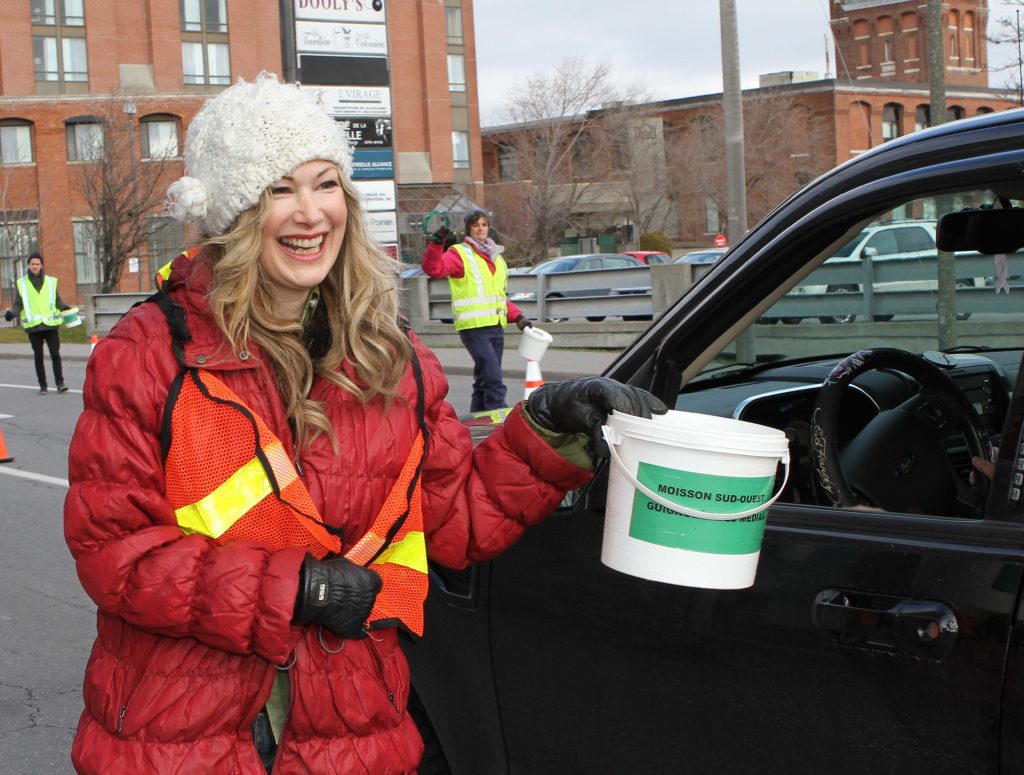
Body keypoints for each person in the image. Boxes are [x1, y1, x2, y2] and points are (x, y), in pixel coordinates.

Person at [63, 72, 665, 775]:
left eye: (325, 184)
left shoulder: (391, 353)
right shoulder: (148, 352)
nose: (310, 213)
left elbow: (452, 520)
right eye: (279, 190)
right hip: (183, 732)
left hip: (349, 729)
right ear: (235, 213)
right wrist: (294, 589)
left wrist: (547, 432)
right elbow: (117, 554)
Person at [421, 209, 531, 413]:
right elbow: (433, 268)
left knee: (484, 379)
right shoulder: (460, 254)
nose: (480, 228)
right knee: (493, 379)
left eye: (484, 224)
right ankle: (498, 419)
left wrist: (517, 316)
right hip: (474, 328)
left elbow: (498, 295)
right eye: (475, 225)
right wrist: (437, 243)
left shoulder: (496, 257)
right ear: (468, 229)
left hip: (496, 327)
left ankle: (475, 422)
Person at [4, 251, 71, 394]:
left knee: (55, 354)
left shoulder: (50, 282)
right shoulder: (22, 284)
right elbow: (18, 304)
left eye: (37, 264)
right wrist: (11, 314)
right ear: (28, 265)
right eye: (32, 264)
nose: (35, 266)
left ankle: (60, 383)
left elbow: (57, 300)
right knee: (38, 357)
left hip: (51, 325)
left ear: (41, 265)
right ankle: (43, 387)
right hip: (34, 327)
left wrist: (65, 308)